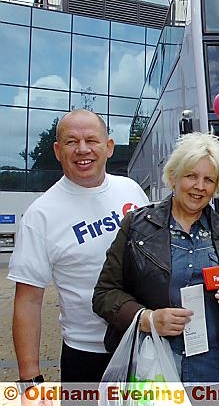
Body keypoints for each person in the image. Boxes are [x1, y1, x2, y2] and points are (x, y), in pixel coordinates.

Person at [93, 132, 219, 383]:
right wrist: (148, 318)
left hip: (217, 372)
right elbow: (104, 294)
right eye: (191, 176)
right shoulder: (137, 226)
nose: (199, 186)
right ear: (173, 177)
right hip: (154, 370)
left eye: (209, 179)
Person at [8, 109, 149, 386]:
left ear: (108, 147)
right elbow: (28, 300)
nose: (82, 149)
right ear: (58, 150)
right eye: (71, 142)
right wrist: (30, 379)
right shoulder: (41, 215)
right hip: (87, 355)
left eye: (91, 140)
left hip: (145, 344)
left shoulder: (131, 190)